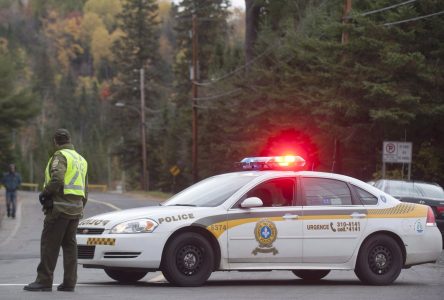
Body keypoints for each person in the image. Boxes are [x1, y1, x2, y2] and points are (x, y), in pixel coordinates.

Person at [24, 129, 88, 292]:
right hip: (76, 209)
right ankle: (69, 282)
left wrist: (45, 193)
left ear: (56, 142)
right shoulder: (81, 159)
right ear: (70, 140)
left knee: (49, 245)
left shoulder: (60, 156)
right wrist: (80, 206)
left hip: (59, 208)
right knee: (70, 246)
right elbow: (85, 190)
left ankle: (44, 281)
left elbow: (58, 178)